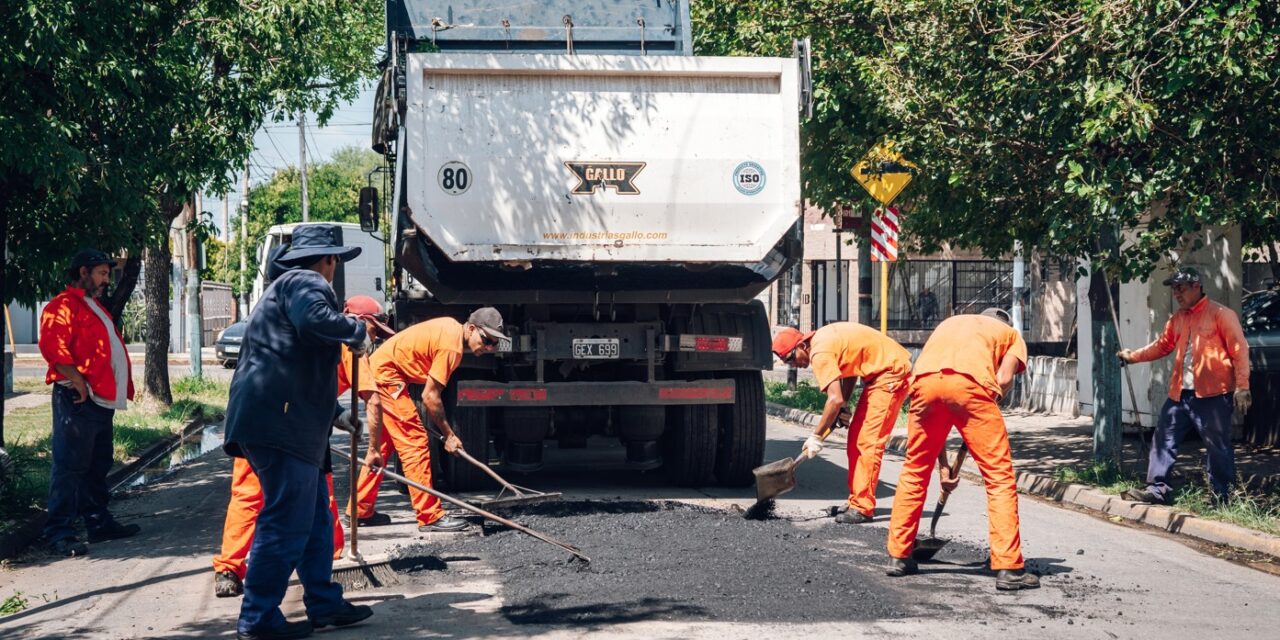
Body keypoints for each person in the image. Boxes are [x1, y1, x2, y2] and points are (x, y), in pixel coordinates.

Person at [222, 224, 375, 639]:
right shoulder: (305, 282)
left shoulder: (286, 285)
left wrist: (335, 415)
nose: (335, 269)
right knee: (286, 521)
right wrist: (355, 332)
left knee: (315, 521)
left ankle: (323, 602)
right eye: (336, 261)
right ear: (328, 260)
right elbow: (314, 321)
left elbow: (296, 362)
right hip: (279, 423)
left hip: (285, 419)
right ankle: (257, 617)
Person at [213, 294, 394, 599]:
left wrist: (335, 414)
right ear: (359, 322)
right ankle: (326, 562)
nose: (374, 338)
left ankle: (229, 570)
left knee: (250, 494)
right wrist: (373, 449)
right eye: (374, 330)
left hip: (260, 420)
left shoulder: (301, 330)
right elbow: (372, 400)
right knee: (313, 496)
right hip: (294, 430)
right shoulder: (350, 342)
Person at [884, 308, 1040, 591]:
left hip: (924, 384)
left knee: (915, 470)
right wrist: (985, 404)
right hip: (971, 387)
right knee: (999, 478)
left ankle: (899, 555)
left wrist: (942, 466)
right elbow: (1004, 379)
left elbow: (941, 391)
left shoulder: (951, 323)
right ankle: (1008, 567)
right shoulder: (1010, 335)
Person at [349, 308, 507, 532]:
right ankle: (429, 516)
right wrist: (449, 436)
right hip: (385, 377)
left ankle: (360, 510)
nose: (489, 347)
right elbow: (430, 397)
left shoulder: (451, 330)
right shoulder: (452, 346)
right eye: (486, 340)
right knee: (415, 442)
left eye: (494, 344)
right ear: (471, 329)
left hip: (383, 373)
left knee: (382, 446)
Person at [1117, 266, 1250, 505]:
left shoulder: (1221, 314)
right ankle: (1158, 490)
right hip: (1180, 394)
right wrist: (1133, 356)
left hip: (1213, 394)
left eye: (1181, 288)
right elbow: (1162, 345)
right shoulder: (1178, 318)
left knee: (1217, 446)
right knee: (1163, 438)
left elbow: (1239, 350)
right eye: (1174, 289)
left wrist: (1242, 386)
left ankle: (1223, 497)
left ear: (1196, 286)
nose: (1176, 293)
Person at [38, 249, 140, 557]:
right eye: (102, 273)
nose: (107, 280)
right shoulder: (63, 306)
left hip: (98, 399)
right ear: (84, 272)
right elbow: (52, 348)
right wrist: (79, 380)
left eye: (107, 274)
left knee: (98, 463)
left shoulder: (93, 306)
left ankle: (97, 522)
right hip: (77, 397)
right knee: (70, 466)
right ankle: (59, 532)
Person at [771, 323, 912, 523]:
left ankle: (863, 507)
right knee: (855, 439)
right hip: (881, 375)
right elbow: (851, 370)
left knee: (868, 442)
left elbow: (833, 399)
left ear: (801, 346)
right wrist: (843, 406)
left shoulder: (819, 353)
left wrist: (816, 436)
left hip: (890, 375)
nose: (793, 365)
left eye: (791, 359)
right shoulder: (822, 341)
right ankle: (856, 500)